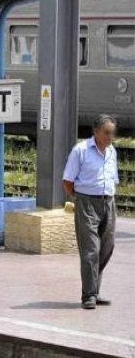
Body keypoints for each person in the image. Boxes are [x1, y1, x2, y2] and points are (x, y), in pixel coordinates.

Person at [63, 114, 119, 310]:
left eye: (112, 133)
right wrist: (80, 199)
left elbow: (113, 179)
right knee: (90, 251)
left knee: (106, 247)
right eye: (106, 133)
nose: (110, 137)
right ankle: (88, 295)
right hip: (87, 203)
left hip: (108, 203)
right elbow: (68, 181)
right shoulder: (81, 151)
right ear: (96, 132)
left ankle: (94, 289)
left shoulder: (112, 151)